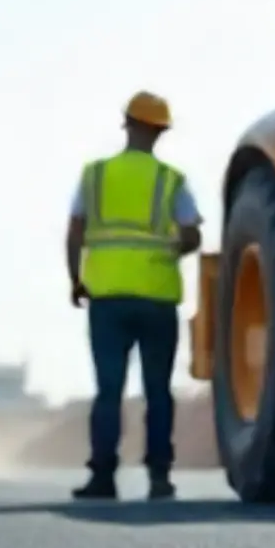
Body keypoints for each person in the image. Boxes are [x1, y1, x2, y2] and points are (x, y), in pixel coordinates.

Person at [65, 91, 203, 501]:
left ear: (126, 124)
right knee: (157, 391)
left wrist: (76, 279)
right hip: (157, 298)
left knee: (109, 389)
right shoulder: (171, 180)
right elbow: (192, 233)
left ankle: (102, 477)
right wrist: (171, 252)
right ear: (160, 132)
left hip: (107, 298)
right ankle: (159, 477)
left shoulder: (95, 175)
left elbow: (75, 229)